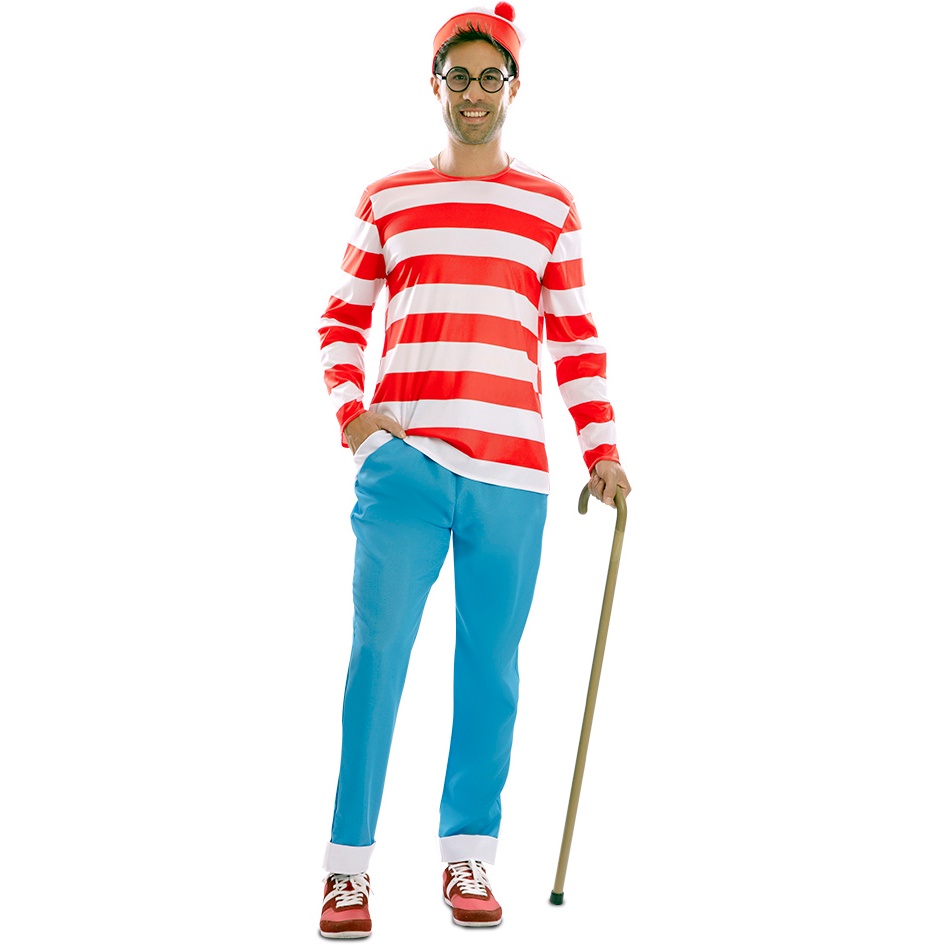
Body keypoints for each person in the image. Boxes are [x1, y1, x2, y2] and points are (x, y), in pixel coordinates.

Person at [316, 3, 630, 937]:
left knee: (489, 670)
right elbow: (340, 320)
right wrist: (354, 417)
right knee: (376, 661)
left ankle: (468, 855)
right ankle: (346, 869)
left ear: (513, 87)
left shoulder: (550, 206)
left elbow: (574, 340)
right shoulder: (388, 197)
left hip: (513, 476)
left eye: (491, 77)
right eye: (459, 76)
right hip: (404, 470)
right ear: (436, 84)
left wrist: (602, 450)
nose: (475, 93)